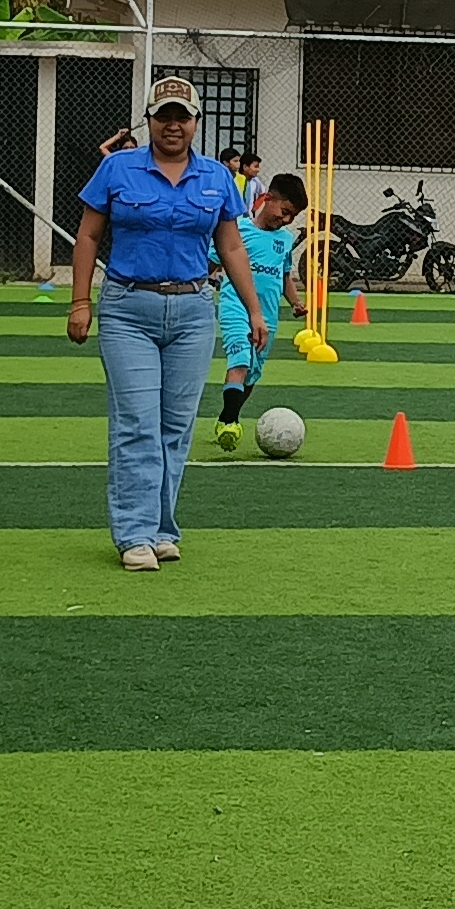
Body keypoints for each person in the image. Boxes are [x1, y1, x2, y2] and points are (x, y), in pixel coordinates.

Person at [67, 77, 271, 571]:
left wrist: (253, 309)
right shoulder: (117, 168)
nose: (173, 125)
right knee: (137, 422)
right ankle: (133, 533)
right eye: (164, 116)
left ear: (196, 122)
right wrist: (80, 302)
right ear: (149, 120)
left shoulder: (216, 177)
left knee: (175, 427)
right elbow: (88, 236)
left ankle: (161, 528)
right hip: (128, 308)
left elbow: (231, 246)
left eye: (182, 116)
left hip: (192, 312)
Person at [215, 173, 309, 451]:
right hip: (235, 305)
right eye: (285, 211)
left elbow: (284, 275)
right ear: (268, 198)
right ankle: (229, 421)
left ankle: (228, 416)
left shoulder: (285, 240)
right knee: (241, 359)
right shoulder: (238, 231)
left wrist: (295, 302)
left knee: (252, 373)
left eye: (293, 216)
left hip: (267, 315)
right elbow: (211, 260)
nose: (287, 219)